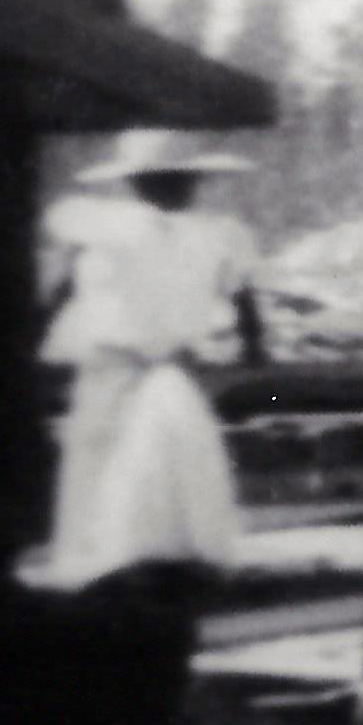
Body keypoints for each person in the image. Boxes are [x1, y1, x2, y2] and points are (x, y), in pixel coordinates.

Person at [34, 130, 266, 593]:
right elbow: (245, 302)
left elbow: (58, 294)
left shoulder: (209, 236)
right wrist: (254, 347)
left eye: (177, 180)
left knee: (132, 458)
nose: (173, 189)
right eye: (166, 180)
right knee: (129, 457)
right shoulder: (115, 229)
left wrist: (254, 346)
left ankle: (128, 557)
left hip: (144, 365)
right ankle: (127, 557)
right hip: (126, 363)